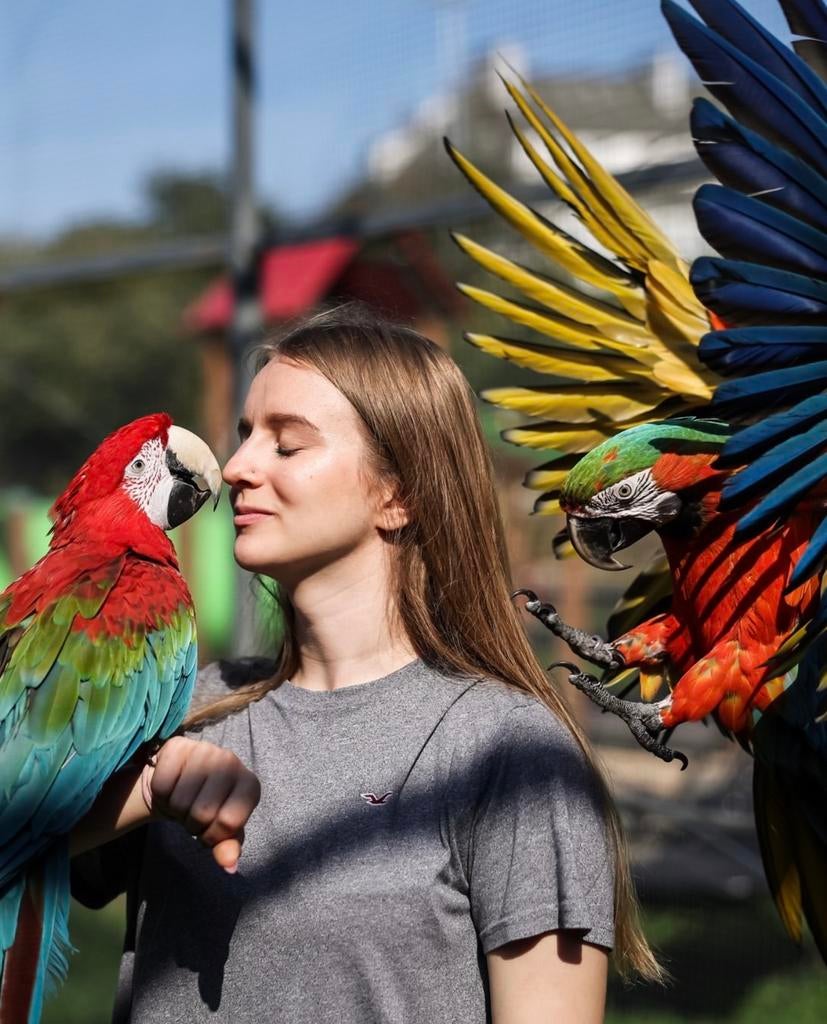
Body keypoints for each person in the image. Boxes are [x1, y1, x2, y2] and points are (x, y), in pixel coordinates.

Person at [70, 304, 660, 1024]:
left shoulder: (511, 752)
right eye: (247, 435)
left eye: (288, 445)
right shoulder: (181, 705)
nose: (237, 468)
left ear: (398, 494)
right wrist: (145, 791)